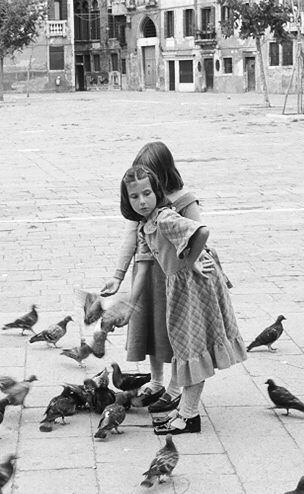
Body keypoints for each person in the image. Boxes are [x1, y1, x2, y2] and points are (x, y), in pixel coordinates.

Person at [102, 142, 232, 415]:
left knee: (175, 336)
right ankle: (156, 381)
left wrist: (193, 260)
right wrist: (118, 275)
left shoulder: (181, 200)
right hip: (149, 271)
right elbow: (132, 238)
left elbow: (200, 234)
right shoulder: (142, 201)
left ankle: (175, 388)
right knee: (151, 330)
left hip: (177, 276)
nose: (141, 194)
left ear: (162, 173)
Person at [119, 165, 246, 435]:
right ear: (126, 200)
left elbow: (201, 231)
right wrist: (129, 307)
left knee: (192, 350)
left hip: (195, 288)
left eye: (147, 193)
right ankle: (186, 410)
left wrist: (189, 262)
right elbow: (142, 266)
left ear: (157, 192)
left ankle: (190, 415)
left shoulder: (165, 218)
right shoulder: (146, 226)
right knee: (185, 350)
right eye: (134, 196)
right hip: (180, 290)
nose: (142, 201)